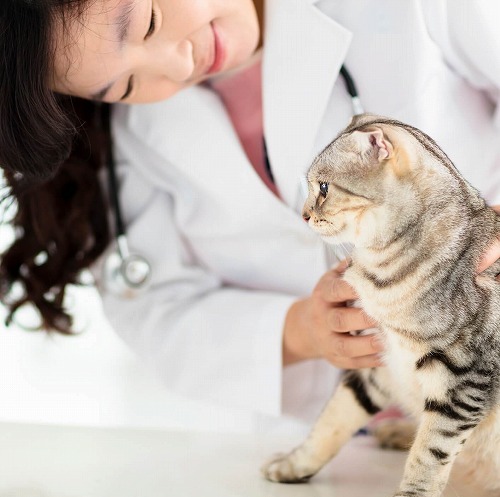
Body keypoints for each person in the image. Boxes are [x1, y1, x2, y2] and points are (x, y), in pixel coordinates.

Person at [1, 0, 500, 424]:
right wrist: (302, 329)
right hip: (366, 441)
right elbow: (160, 313)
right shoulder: (138, 143)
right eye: (125, 84)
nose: (175, 67)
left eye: (149, 21)